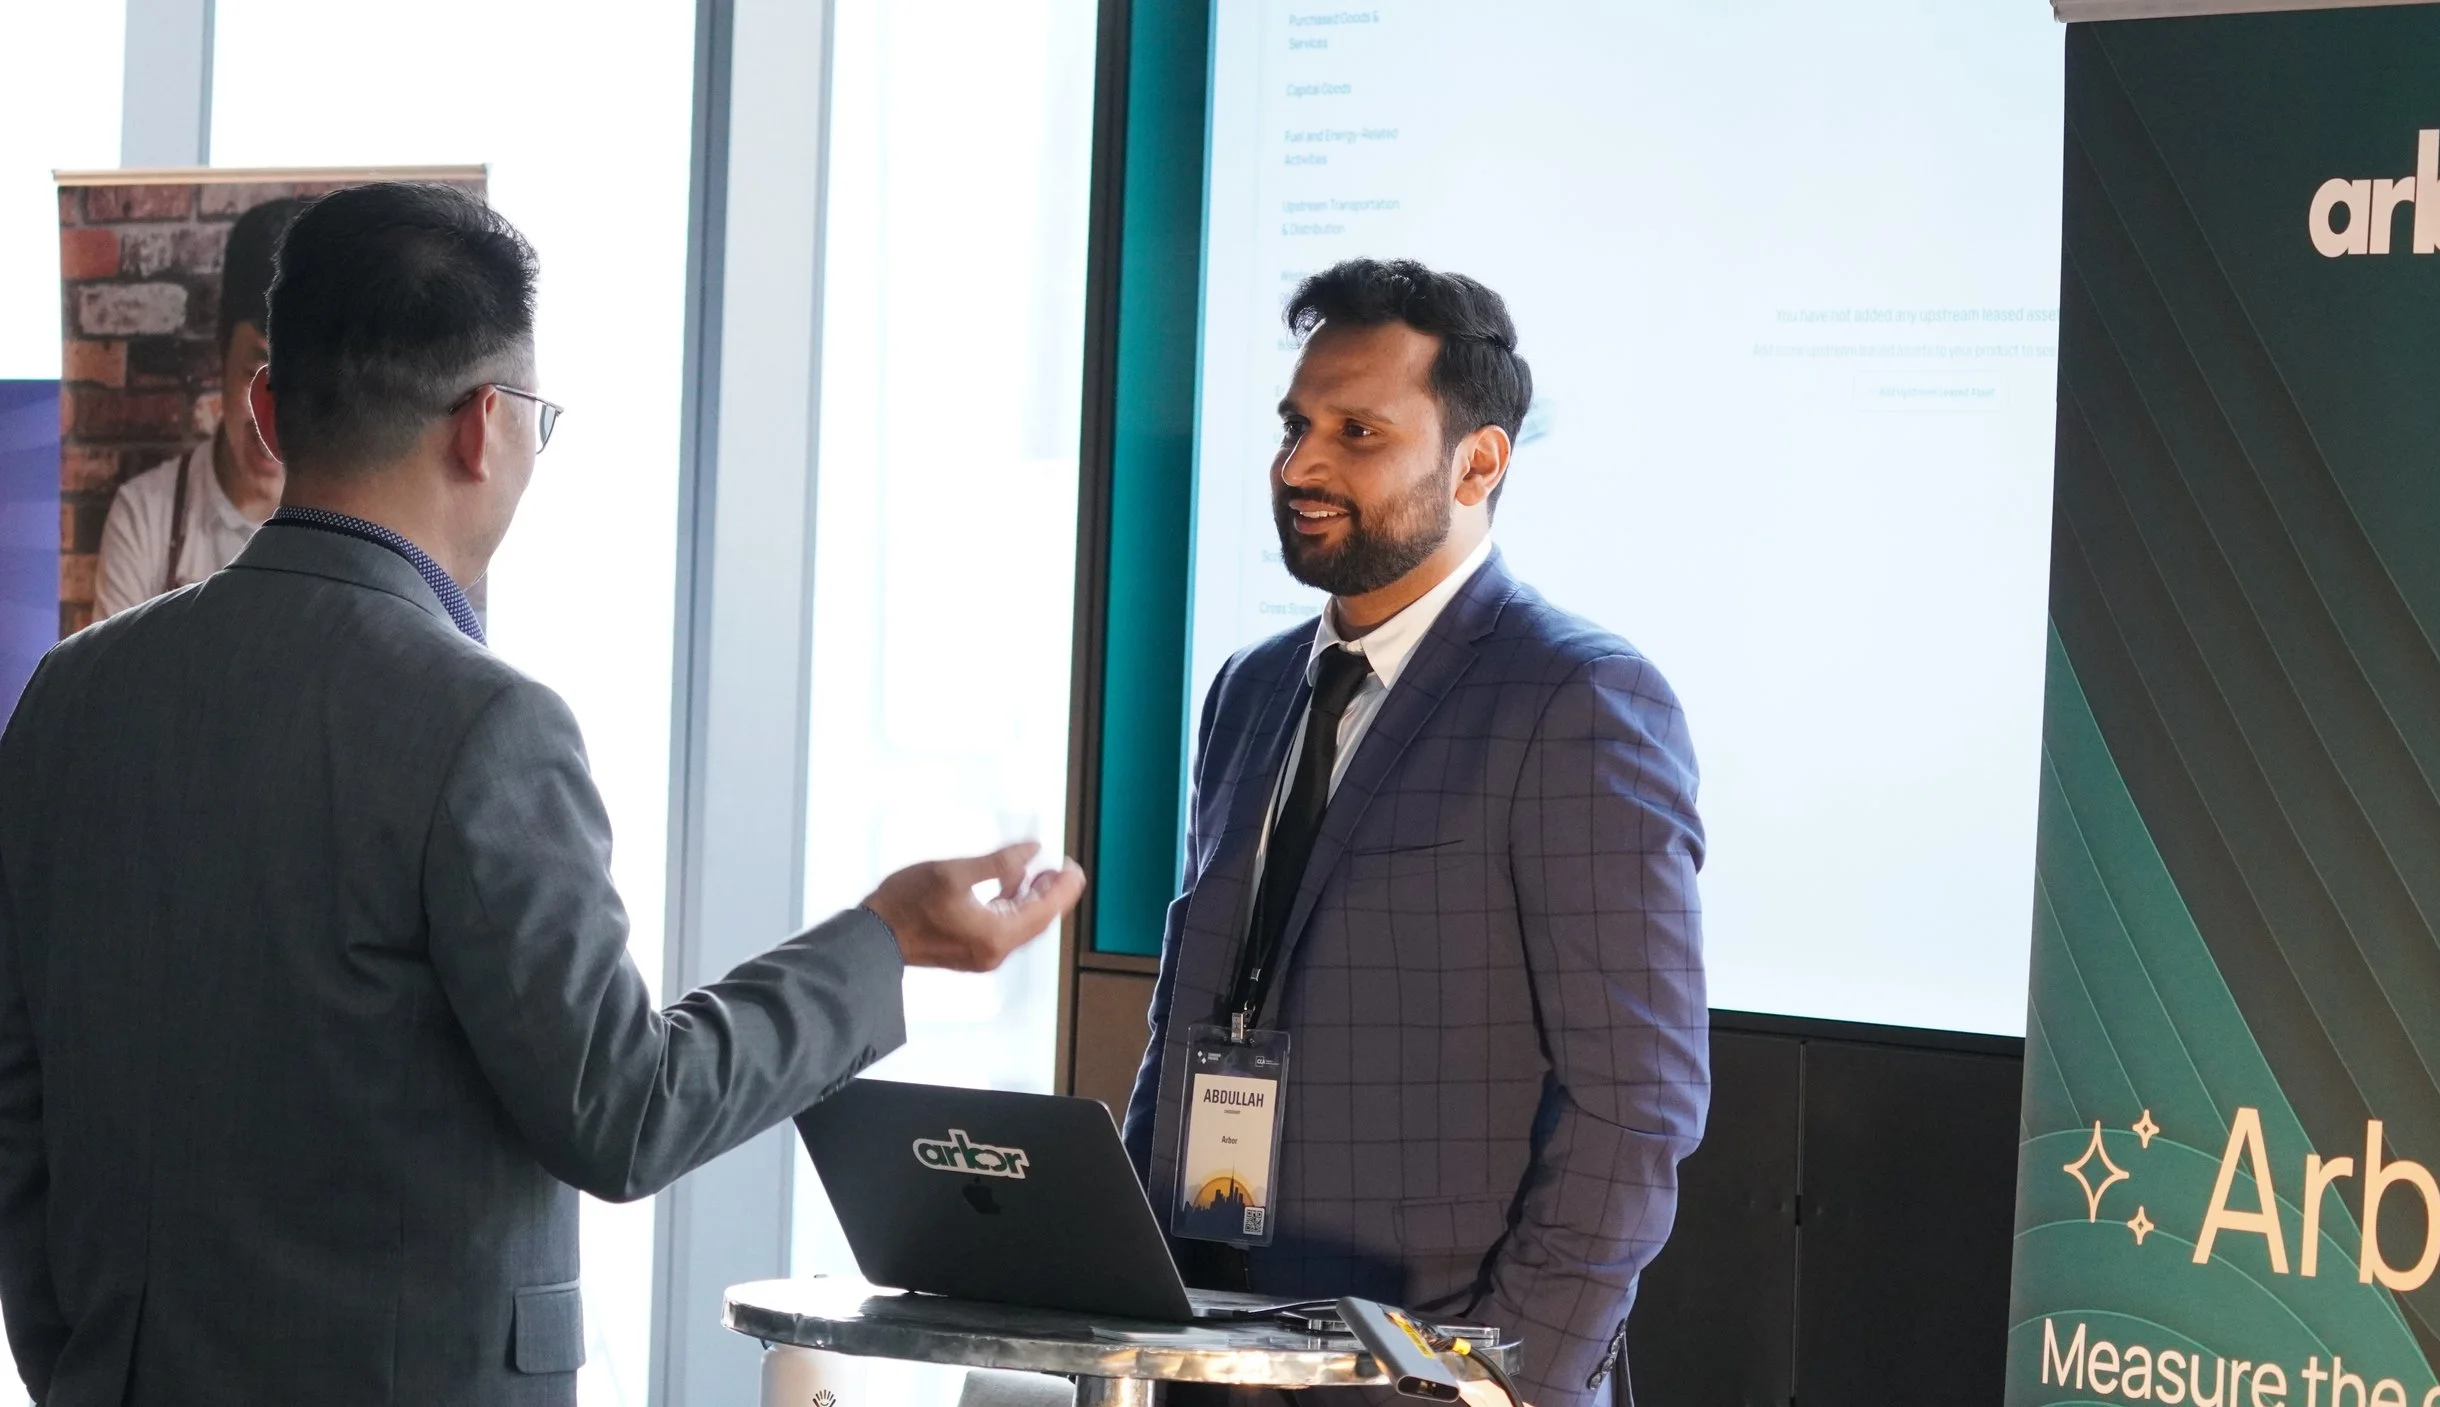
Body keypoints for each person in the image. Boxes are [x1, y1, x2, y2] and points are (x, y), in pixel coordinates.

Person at [0, 182, 1084, 1405]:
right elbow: (622, 1111)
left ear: (262, 408)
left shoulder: (66, 699)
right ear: (485, 425)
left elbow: (19, 1110)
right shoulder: (479, 727)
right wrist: (887, 939)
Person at [1122, 259, 1707, 1407]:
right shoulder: (1249, 691)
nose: (1300, 466)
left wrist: (1490, 1380)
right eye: (1294, 426)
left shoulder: (1577, 701)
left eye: (1356, 431)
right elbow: (1193, 1021)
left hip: (1425, 1374)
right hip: (1206, 1349)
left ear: (1478, 462)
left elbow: (1637, 1108)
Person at [94, 197, 307, 618]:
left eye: (298, 381)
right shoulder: (146, 516)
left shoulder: (354, 526)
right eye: (256, 371)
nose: (272, 412)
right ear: (220, 359)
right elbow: (106, 682)